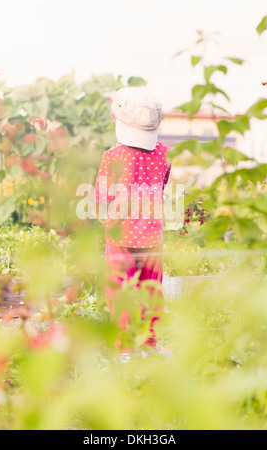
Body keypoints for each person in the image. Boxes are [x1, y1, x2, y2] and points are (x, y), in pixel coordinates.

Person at [95, 86, 171, 350]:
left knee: (121, 294)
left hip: (120, 239)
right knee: (151, 293)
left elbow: (102, 199)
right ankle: (150, 345)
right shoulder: (164, 153)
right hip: (153, 237)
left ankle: (125, 348)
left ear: (115, 119)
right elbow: (160, 187)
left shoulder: (112, 157)